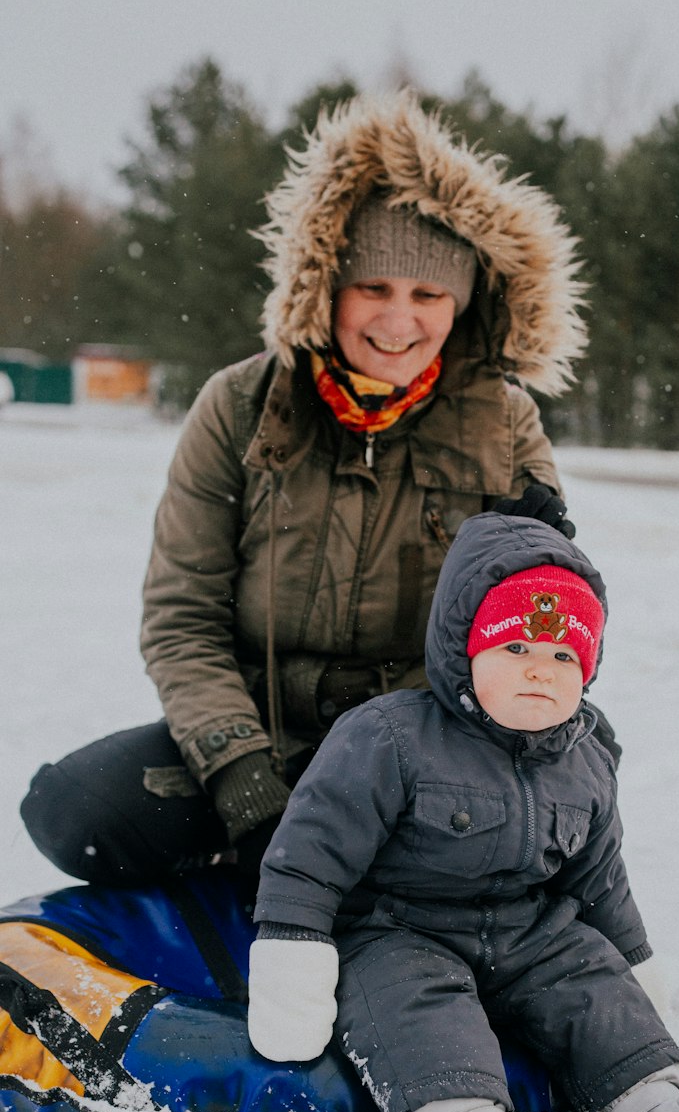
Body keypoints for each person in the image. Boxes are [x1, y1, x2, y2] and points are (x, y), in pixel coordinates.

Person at [20, 92, 589, 891]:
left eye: (427, 295)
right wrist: (243, 777)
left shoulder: (504, 423)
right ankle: (256, 861)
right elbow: (183, 615)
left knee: (534, 825)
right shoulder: (240, 405)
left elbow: (542, 630)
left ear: (460, 306)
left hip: (421, 744)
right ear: (327, 289)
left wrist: (542, 565)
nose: (399, 319)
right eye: (374, 288)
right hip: (265, 732)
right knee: (76, 809)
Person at [248, 510, 679, 1112]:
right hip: (401, 929)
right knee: (418, 1010)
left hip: (528, 931)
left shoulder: (589, 757)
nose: (542, 667)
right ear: (461, 648)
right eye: (517, 646)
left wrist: (634, 968)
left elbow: (602, 878)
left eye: (566, 656)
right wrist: (293, 949)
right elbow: (311, 851)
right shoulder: (390, 737)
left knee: (589, 978)